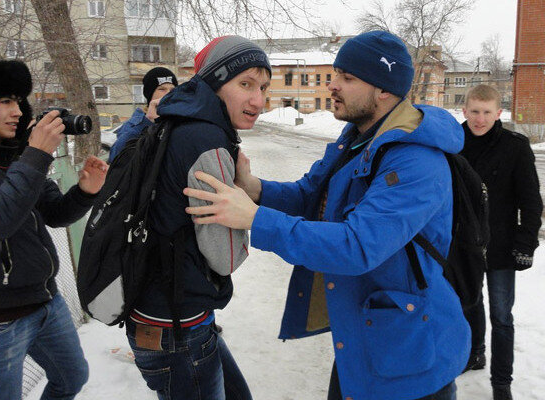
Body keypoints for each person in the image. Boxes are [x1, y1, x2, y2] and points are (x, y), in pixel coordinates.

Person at [184, 31, 471, 400]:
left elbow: (356, 246)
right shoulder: (357, 138)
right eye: (336, 73)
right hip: (363, 337)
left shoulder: (416, 160)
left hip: (410, 355)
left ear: (383, 90)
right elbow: (310, 196)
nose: (333, 85)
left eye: (347, 78)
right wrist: (254, 188)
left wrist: (255, 219)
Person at [0, 59, 108, 400]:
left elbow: (55, 213)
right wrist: (35, 153)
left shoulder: (16, 155)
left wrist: (85, 191)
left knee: (72, 378)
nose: (18, 111)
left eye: (19, 100)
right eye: (5, 101)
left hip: (46, 302)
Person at [125, 35, 271, 400]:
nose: (259, 100)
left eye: (264, 87)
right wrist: (242, 201)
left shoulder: (176, 121)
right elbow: (225, 258)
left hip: (162, 313)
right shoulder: (208, 140)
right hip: (177, 330)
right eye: (245, 84)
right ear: (215, 82)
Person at [460, 85, 542, 400]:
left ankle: (501, 382)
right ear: (465, 111)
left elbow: (531, 202)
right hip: (464, 245)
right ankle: (475, 352)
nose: (480, 120)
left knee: (502, 316)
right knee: (469, 303)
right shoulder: (453, 144)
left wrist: (525, 244)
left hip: (501, 247)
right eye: (475, 112)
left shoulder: (515, 147)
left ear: (498, 114)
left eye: (487, 113)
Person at [108, 67, 177, 162]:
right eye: (162, 89)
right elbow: (115, 158)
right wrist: (147, 122)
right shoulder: (135, 124)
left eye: (172, 90)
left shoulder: (178, 119)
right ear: (150, 94)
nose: (169, 94)